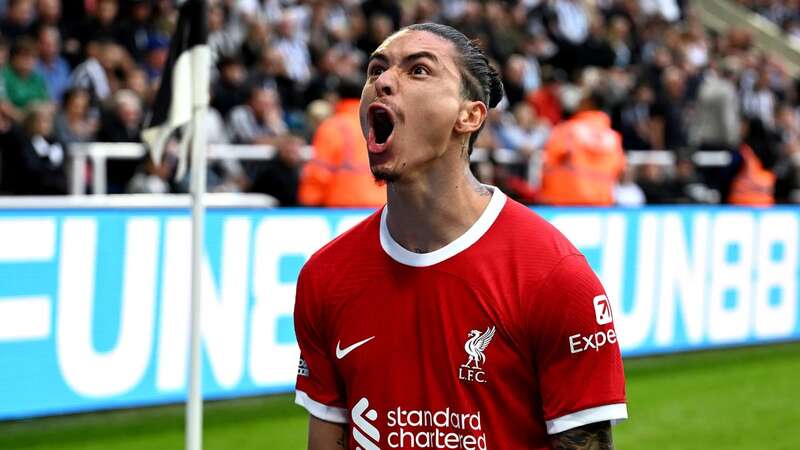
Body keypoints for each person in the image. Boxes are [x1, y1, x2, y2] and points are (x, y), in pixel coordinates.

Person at [293, 23, 627, 450]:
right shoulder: (326, 277)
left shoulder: (553, 276)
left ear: (469, 115)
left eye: (418, 70)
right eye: (376, 69)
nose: (383, 82)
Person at [298, 76, 386, 207]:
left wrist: (309, 200)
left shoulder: (332, 127)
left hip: (341, 208)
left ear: (336, 98)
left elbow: (319, 171)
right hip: (380, 206)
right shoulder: (382, 125)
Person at [537, 93, 626, 205]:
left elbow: (548, 163)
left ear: (588, 104)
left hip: (564, 203)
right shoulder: (613, 137)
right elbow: (620, 170)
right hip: (601, 205)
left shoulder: (566, 130)